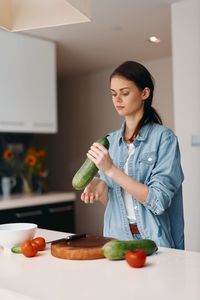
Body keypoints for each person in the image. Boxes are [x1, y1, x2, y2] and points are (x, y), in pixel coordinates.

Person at [81, 61, 184, 249]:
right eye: (113, 94)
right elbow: (115, 204)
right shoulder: (109, 141)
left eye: (124, 93)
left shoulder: (164, 139)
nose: (117, 99)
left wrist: (111, 170)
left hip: (153, 241)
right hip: (115, 239)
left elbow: (158, 201)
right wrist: (100, 186)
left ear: (145, 93)